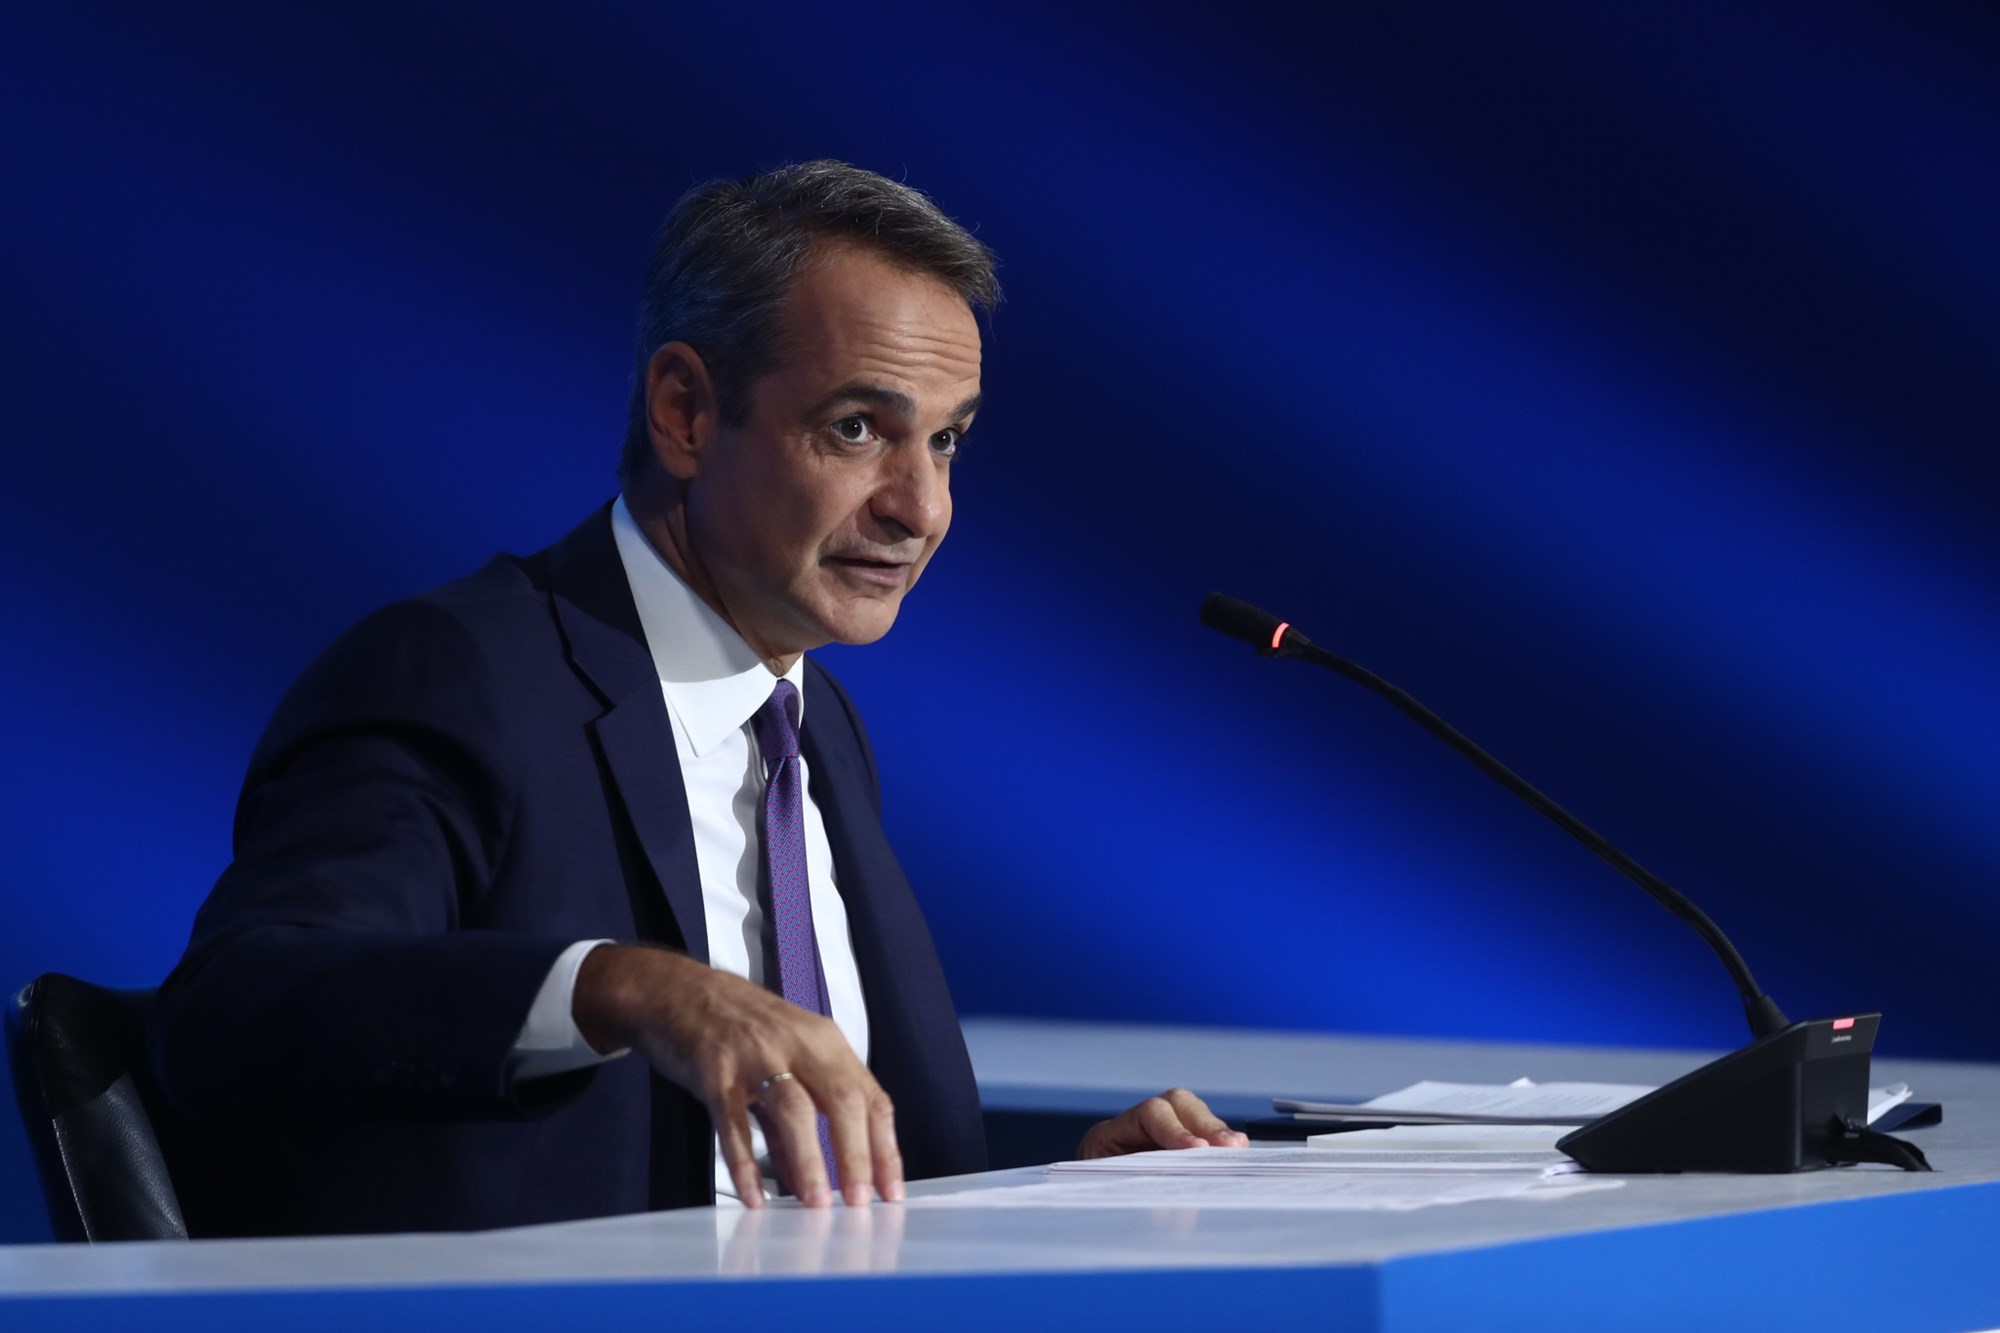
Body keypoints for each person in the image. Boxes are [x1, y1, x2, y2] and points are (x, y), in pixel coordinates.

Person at [150, 160, 1245, 1237]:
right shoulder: (462, 673)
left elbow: (834, 1196)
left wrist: (1060, 1198)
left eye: (945, 439)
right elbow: (232, 1014)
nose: (920, 508)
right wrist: (623, 987)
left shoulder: (817, 726)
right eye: (858, 427)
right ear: (684, 411)